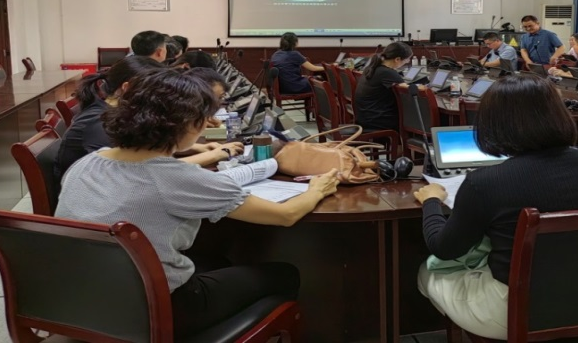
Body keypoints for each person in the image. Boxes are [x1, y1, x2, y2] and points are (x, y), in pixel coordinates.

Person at [56, 69, 339, 339]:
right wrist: (318, 188)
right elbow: (286, 215)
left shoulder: (87, 163)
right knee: (284, 274)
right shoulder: (177, 178)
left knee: (214, 259)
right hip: (155, 313)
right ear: (191, 123)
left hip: (80, 303)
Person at [413, 75, 578, 340]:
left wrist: (431, 201)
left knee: (427, 272)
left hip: (520, 312)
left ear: (493, 124)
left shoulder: (485, 183)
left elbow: (444, 248)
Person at [55, 57, 242, 181]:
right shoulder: (99, 121)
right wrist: (215, 155)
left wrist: (194, 147)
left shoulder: (112, 112)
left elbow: (142, 156)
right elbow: (141, 171)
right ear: (128, 88)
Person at [354, 42, 416, 132]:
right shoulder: (387, 73)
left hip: (366, 117)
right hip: (378, 121)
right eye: (407, 59)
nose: (408, 62)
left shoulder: (372, 68)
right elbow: (406, 95)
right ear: (397, 59)